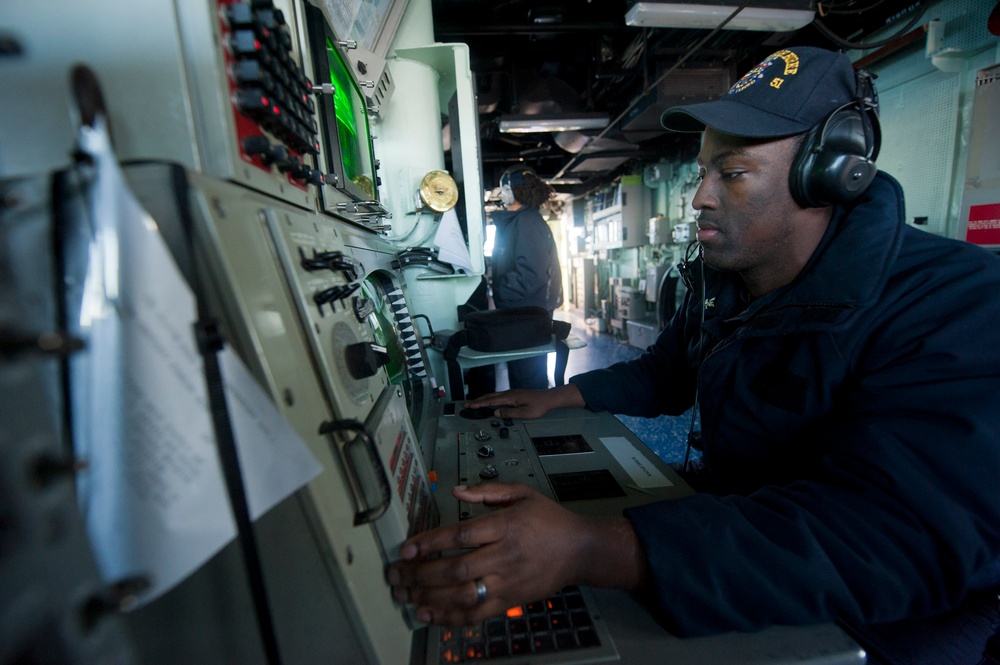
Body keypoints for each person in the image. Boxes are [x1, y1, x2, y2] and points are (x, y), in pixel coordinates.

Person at [387, 47, 1000, 663]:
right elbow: (669, 373)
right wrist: (561, 397)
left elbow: (895, 538)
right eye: (701, 171)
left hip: (897, 614)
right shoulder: (727, 282)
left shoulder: (960, 304)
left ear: (831, 173)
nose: (699, 197)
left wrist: (597, 550)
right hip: (742, 534)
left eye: (730, 173)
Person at [488, 165, 563, 389]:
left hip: (528, 314)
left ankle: (534, 422)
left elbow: (530, 274)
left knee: (528, 377)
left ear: (516, 191)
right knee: (523, 373)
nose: (502, 193)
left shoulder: (528, 222)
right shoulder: (519, 221)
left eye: (505, 188)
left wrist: (501, 290)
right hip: (522, 312)